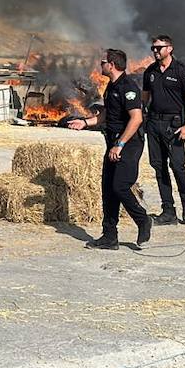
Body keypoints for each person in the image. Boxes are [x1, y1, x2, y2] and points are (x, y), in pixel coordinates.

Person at [67, 49, 152, 249]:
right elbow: (107, 114)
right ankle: (109, 236)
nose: (101, 65)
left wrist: (120, 144)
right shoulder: (112, 86)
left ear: (112, 65)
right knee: (108, 190)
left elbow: (136, 118)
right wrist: (85, 123)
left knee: (120, 186)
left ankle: (143, 220)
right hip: (113, 143)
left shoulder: (128, 87)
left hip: (128, 144)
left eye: (103, 62)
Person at [142, 35, 185, 224]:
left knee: (177, 165)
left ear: (170, 48)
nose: (155, 51)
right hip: (153, 124)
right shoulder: (150, 71)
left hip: (174, 125)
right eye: (153, 48)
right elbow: (144, 99)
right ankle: (168, 211)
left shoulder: (182, 70)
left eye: (159, 48)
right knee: (158, 167)